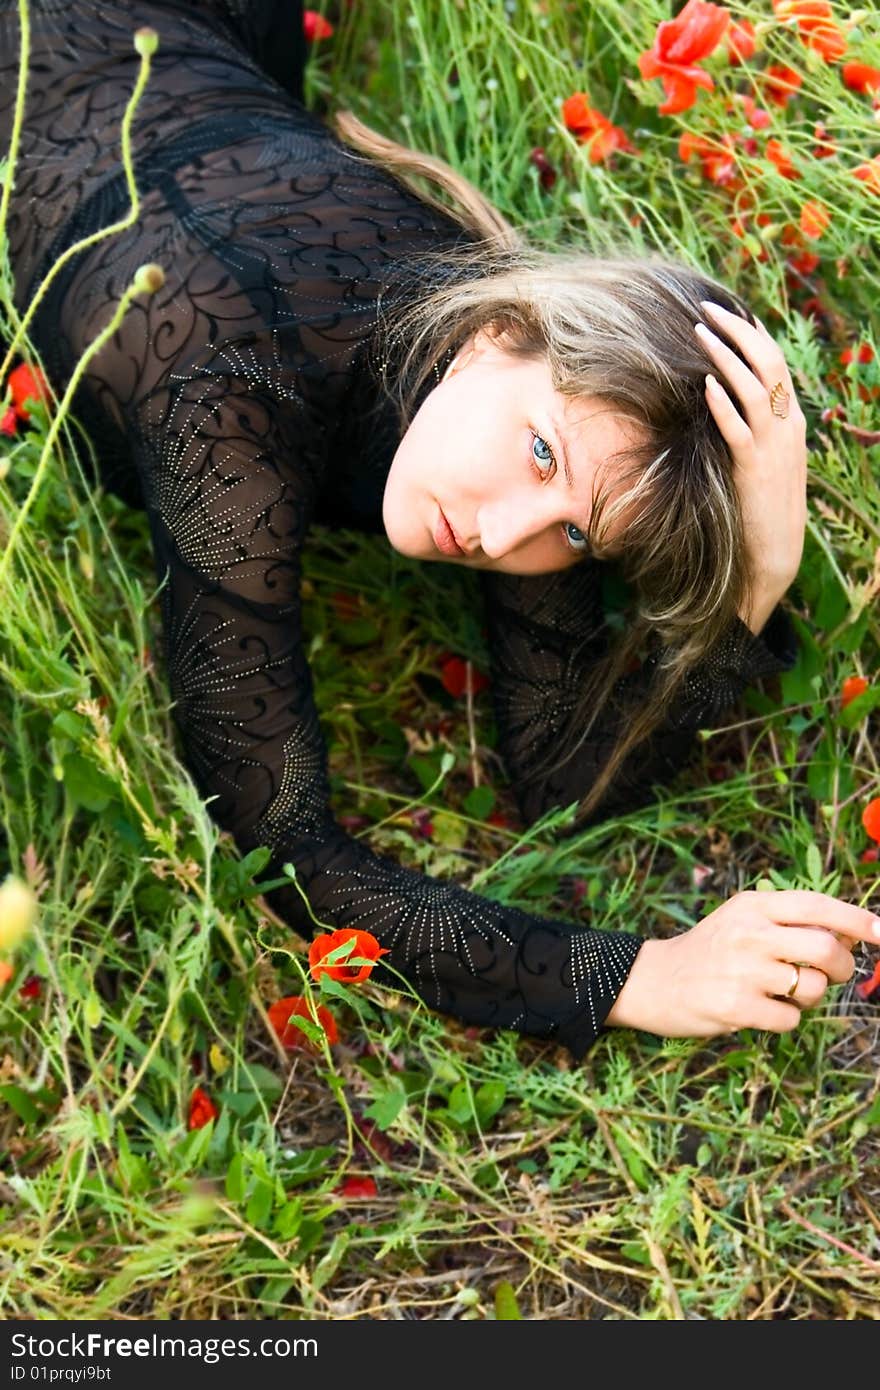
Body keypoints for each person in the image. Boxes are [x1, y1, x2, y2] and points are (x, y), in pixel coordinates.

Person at [1, 0, 875, 1061]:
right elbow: (280, 845)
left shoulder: (515, 391)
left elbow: (558, 772)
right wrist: (637, 975)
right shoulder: (221, 388)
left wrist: (760, 574)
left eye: (576, 537)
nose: (505, 536)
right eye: (542, 455)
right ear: (499, 332)